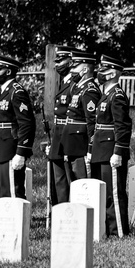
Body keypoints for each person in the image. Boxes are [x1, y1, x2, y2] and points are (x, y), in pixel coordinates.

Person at [89, 55, 132, 237]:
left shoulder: (117, 95)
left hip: (110, 149)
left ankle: (118, 231)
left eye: (104, 70)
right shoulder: (106, 95)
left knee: (114, 192)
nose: (100, 73)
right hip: (100, 148)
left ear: (113, 73)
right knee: (104, 192)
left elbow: (122, 126)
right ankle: (107, 228)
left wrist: (119, 151)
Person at [0, 54, 36, 199]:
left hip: (11, 148)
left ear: (8, 71)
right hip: (2, 147)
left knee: (13, 192)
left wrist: (21, 152)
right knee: (3, 191)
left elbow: (26, 123)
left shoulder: (16, 92)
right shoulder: (3, 91)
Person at [62, 49, 101, 182]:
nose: (72, 71)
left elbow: (92, 121)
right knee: (73, 184)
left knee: (83, 183)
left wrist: (91, 147)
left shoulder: (90, 90)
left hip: (81, 145)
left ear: (84, 70)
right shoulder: (78, 88)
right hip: (72, 143)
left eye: (75, 67)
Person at [47, 45, 74, 204]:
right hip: (58, 132)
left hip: (67, 133)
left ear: (70, 62)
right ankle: (60, 208)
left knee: (69, 176)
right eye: (56, 62)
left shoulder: (74, 84)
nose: (57, 65)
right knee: (59, 178)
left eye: (61, 61)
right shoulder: (63, 82)